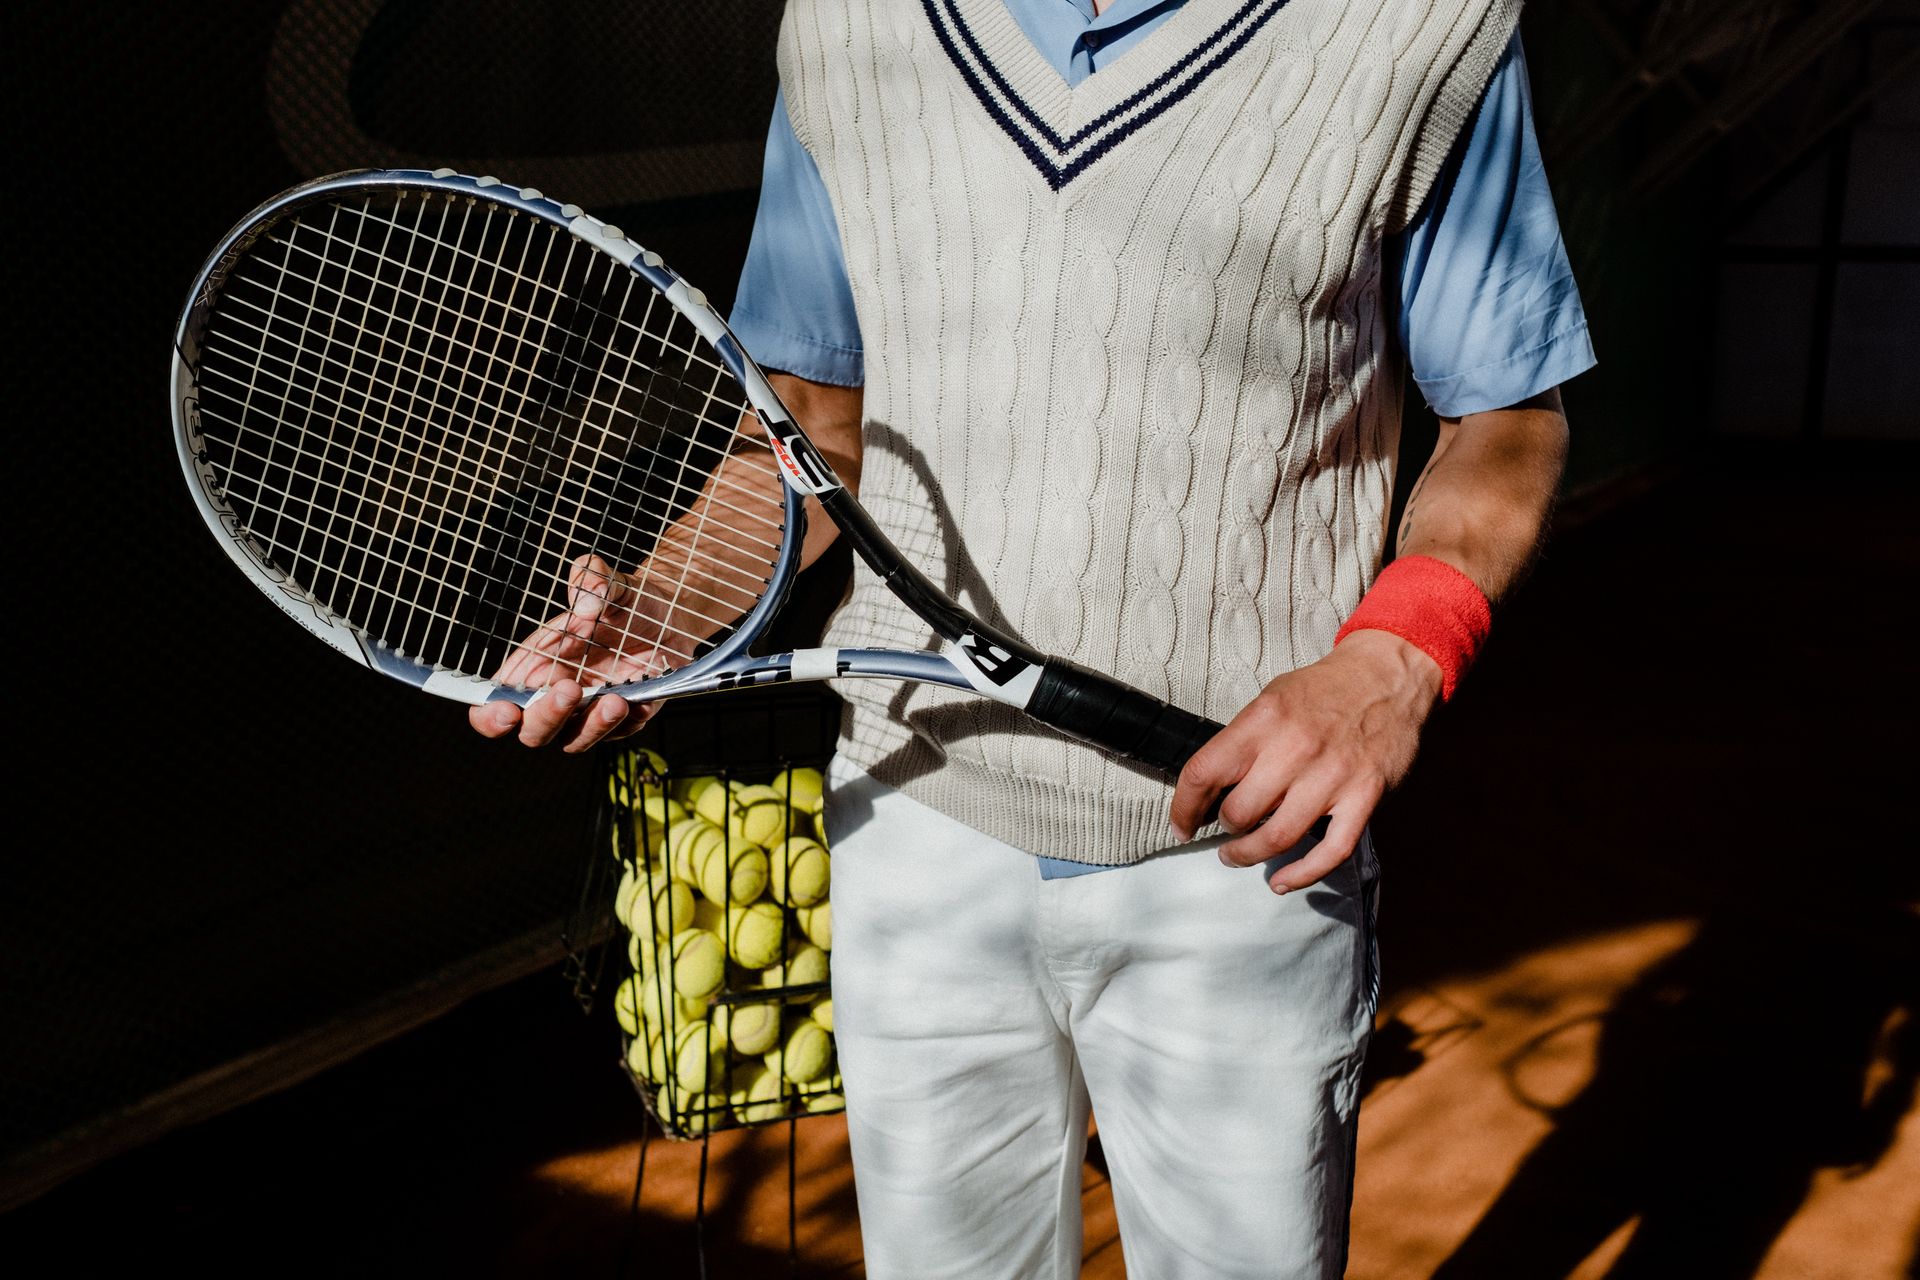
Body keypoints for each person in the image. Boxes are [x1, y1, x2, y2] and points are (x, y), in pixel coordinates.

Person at [473, 1, 1591, 1275]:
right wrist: (664, 609)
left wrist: (1396, 659)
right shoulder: (848, 28)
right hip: (914, 832)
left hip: (1244, 850)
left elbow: (1508, 417)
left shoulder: (1423, 28)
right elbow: (808, 433)